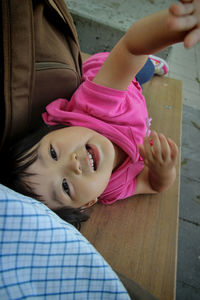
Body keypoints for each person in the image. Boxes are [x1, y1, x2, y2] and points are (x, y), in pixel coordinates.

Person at [4, 0, 200, 228]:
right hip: (135, 114)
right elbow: (154, 186)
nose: (73, 164)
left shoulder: (96, 106)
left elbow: (131, 48)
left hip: (113, 75)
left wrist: (173, 27)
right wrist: (163, 171)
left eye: (53, 153)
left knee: (141, 69)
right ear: (88, 203)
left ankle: (149, 64)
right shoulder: (112, 189)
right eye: (65, 187)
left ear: (54, 129)